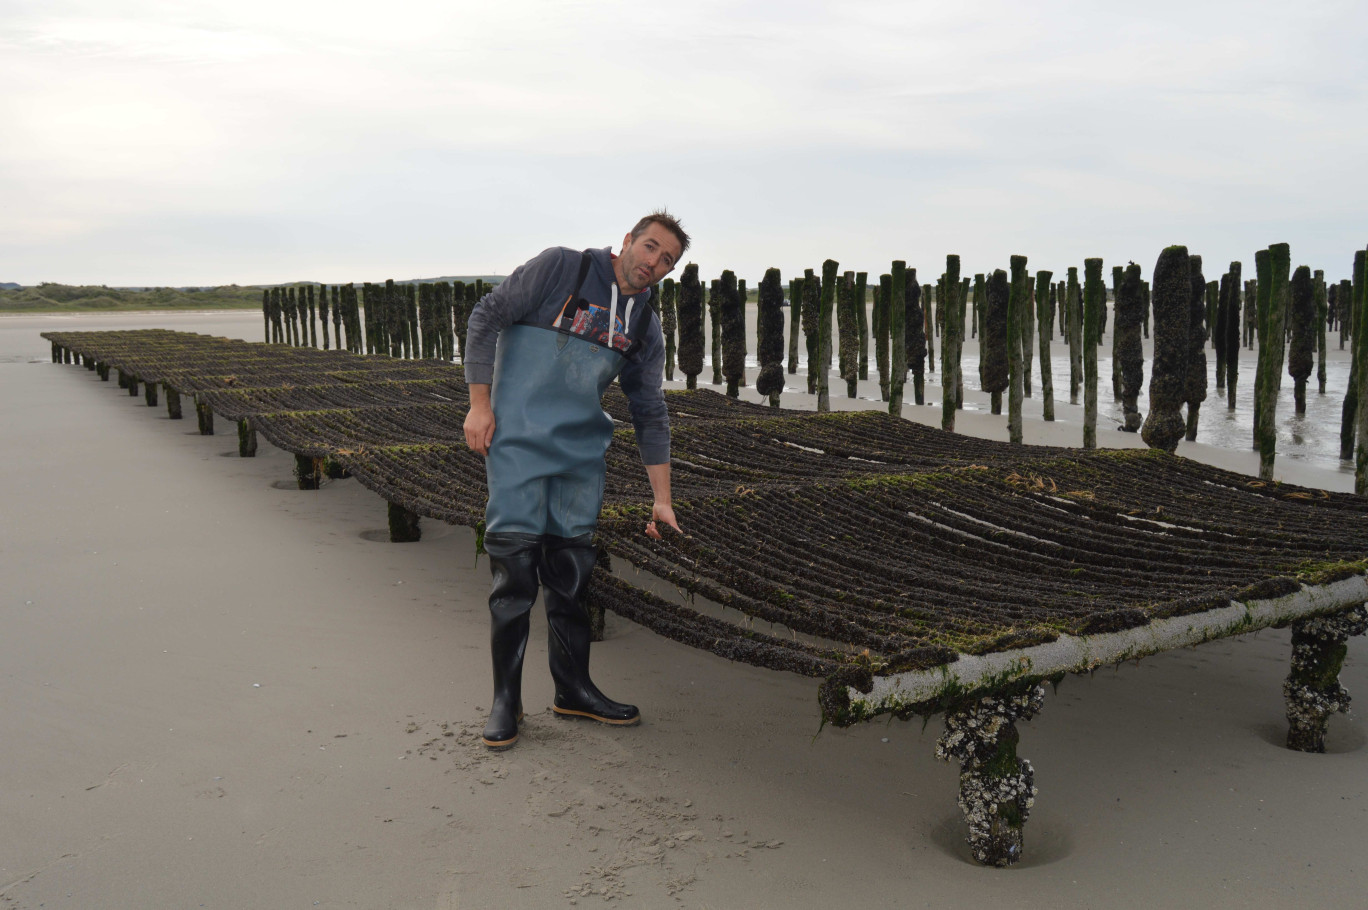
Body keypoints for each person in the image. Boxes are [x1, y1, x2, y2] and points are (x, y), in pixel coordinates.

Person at [463, 211, 688, 750]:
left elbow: (649, 410)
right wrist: (479, 405)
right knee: (514, 575)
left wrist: (663, 499)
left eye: (668, 260)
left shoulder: (643, 325)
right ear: (628, 239)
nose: (654, 263)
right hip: (516, 440)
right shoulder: (561, 268)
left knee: (570, 573)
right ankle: (506, 701)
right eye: (650, 247)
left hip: (581, 455)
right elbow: (486, 316)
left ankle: (573, 689)